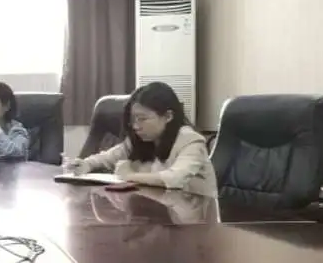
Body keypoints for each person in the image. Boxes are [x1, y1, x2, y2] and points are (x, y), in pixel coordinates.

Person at [64, 81, 217, 197]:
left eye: (142, 119)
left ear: (168, 116)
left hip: (195, 220)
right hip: (157, 214)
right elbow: (107, 158)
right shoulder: (140, 140)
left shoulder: (190, 141)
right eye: (133, 120)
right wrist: (85, 164)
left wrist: (129, 176)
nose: (136, 126)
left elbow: (175, 179)